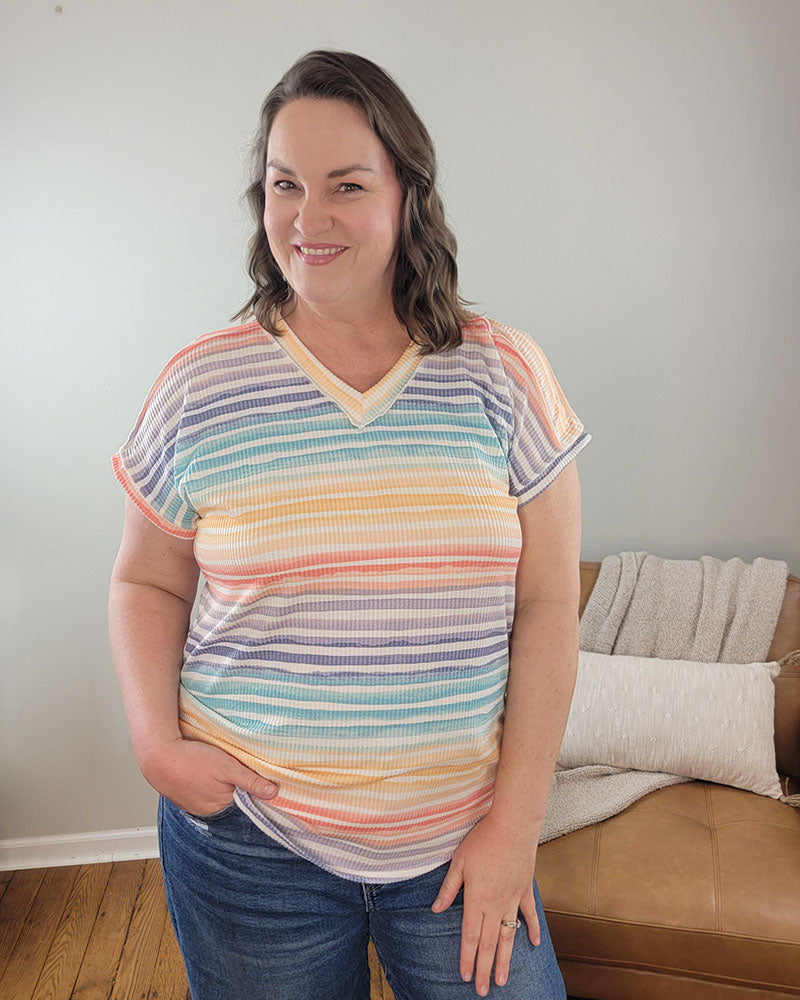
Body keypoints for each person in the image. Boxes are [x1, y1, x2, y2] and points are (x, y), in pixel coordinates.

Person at [108, 49, 590, 1000]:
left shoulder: (504, 375)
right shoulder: (200, 386)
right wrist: (155, 743)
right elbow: (145, 580)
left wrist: (515, 828)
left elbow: (547, 610)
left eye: (347, 185)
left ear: (409, 194)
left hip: (461, 840)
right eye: (285, 184)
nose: (308, 217)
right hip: (251, 847)